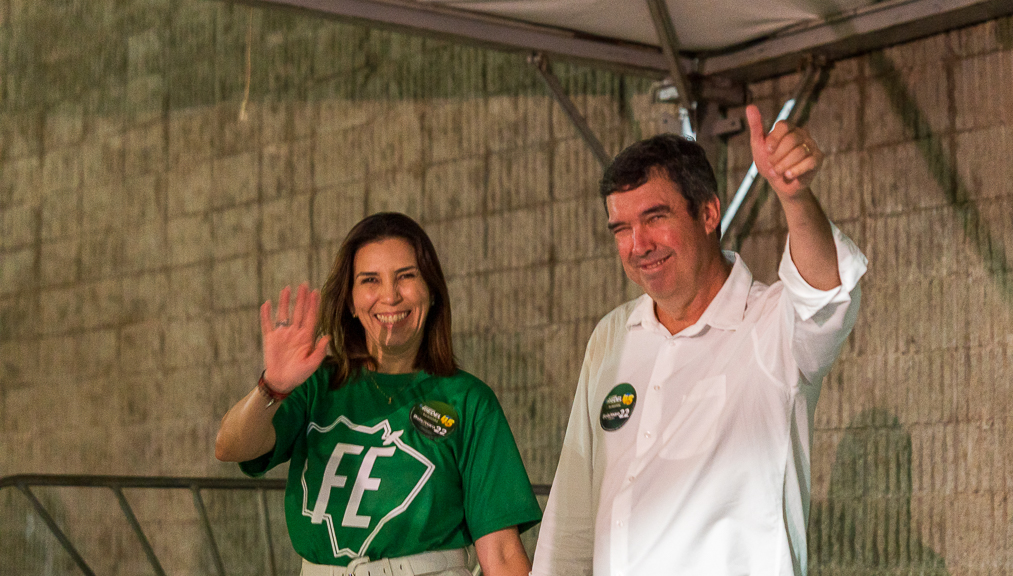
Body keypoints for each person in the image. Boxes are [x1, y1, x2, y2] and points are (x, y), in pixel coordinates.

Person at [531, 105, 868, 576]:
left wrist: (795, 198)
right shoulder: (612, 335)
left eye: (654, 217)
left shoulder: (770, 326)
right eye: (621, 229)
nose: (637, 245)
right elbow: (571, 517)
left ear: (709, 212)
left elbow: (824, 294)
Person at [216, 212, 541, 576]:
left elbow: (499, 551)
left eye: (406, 276)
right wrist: (272, 386)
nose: (390, 296)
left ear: (431, 291)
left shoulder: (468, 400)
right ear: (351, 302)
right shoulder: (318, 385)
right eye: (370, 280)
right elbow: (231, 447)